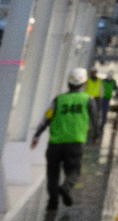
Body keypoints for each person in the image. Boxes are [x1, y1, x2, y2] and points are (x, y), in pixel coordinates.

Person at [34, 76, 98, 207]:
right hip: (75, 142)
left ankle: (53, 202)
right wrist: (95, 136)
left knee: (52, 173)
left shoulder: (58, 99)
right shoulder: (88, 99)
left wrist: (37, 135)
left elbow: (47, 118)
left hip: (55, 143)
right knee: (74, 170)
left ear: (68, 83)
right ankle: (66, 188)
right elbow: (94, 119)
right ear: (84, 84)